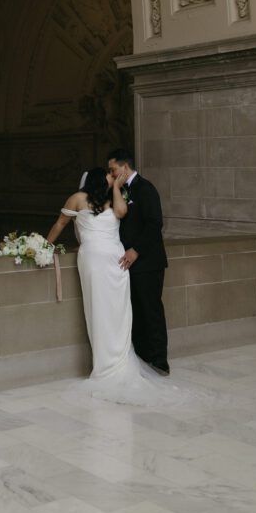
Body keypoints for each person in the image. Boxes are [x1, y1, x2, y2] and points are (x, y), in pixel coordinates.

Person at [46, 167, 171, 405]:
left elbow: (61, 223)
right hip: (110, 259)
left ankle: (109, 366)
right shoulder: (105, 198)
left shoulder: (82, 198)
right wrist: (115, 189)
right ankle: (112, 363)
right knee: (112, 312)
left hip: (103, 260)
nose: (113, 180)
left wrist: (45, 244)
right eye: (110, 178)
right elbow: (120, 212)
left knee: (106, 312)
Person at [107, 147, 169, 375]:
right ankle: (143, 358)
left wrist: (135, 251)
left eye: (113, 170)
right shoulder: (120, 190)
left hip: (149, 262)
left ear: (125, 167)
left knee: (151, 310)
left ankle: (160, 361)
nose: (112, 174)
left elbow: (154, 224)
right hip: (130, 265)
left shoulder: (145, 188)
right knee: (136, 313)